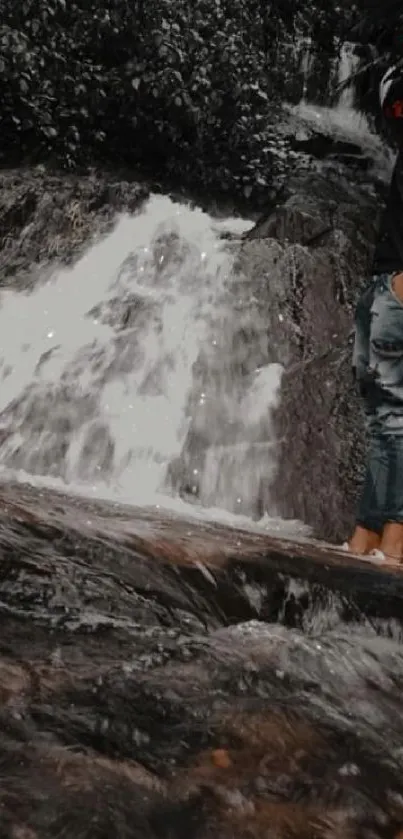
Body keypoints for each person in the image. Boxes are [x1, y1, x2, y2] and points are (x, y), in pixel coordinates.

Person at [348, 60, 403, 563]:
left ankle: (396, 539)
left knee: (393, 417)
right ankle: (366, 536)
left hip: (396, 288)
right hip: (381, 283)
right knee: (380, 416)